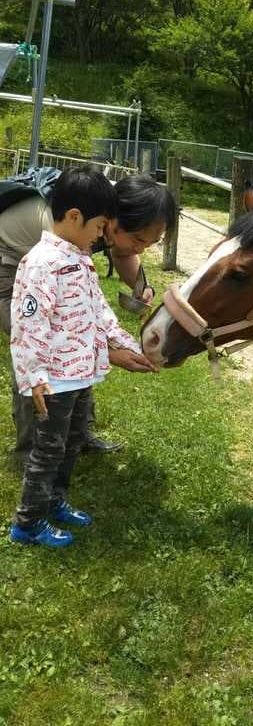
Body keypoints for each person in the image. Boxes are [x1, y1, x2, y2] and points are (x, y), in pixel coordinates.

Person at [9, 166, 148, 547]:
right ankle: (28, 523)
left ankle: (55, 501)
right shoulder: (41, 263)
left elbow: (100, 311)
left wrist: (130, 345)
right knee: (48, 451)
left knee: (71, 444)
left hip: (80, 375)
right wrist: (34, 375)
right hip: (53, 379)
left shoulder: (79, 258)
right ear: (73, 217)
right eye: (99, 226)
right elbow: (28, 326)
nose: (102, 236)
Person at [0, 169, 175, 462]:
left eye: (150, 244)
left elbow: (121, 254)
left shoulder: (96, 220)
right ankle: (30, 449)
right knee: (38, 354)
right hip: (9, 270)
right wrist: (109, 353)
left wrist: (140, 287)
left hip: (41, 270)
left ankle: (78, 436)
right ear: (111, 221)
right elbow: (58, 325)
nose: (141, 249)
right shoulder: (64, 228)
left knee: (75, 356)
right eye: (138, 239)